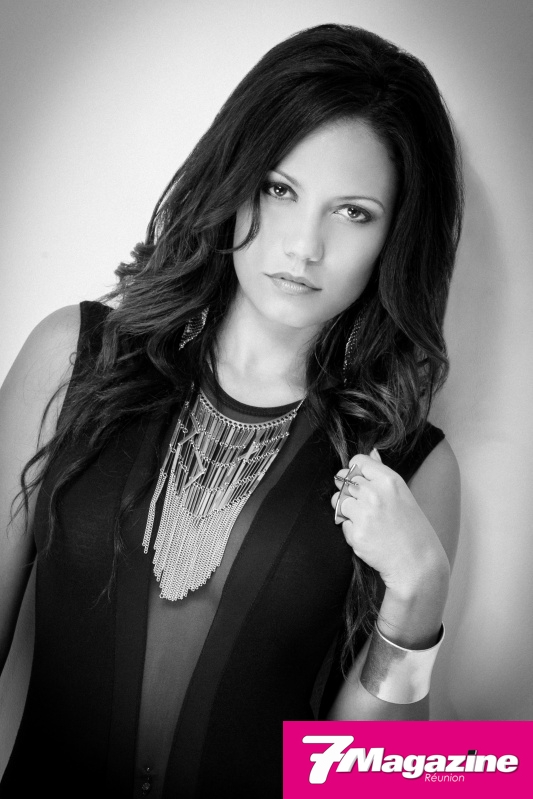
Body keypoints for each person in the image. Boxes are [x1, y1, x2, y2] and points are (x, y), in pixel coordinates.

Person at [0, 23, 462, 798]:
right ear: (236, 177)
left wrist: (418, 597)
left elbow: (368, 784)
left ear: (395, 234)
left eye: (353, 212)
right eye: (280, 189)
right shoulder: (71, 361)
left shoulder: (413, 466)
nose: (303, 246)